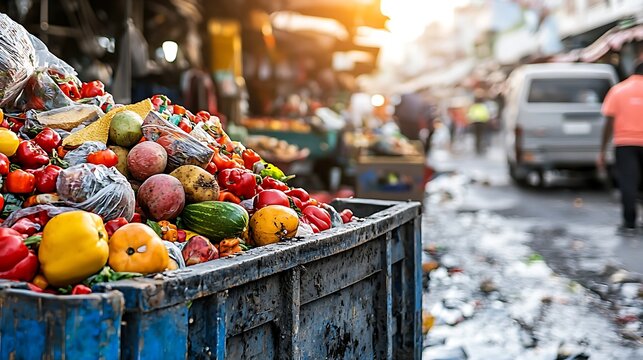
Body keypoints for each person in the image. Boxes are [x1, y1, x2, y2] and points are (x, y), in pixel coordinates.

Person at [599, 60, 643, 234]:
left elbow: (609, 121)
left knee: (628, 183)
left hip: (625, 144)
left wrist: (602, 149)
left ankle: (629, 222)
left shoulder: (618, 90)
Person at [467, 91, 491, 155]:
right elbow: (486, 115)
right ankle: (479, 148)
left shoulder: (475, 106)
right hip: (481, 123)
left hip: (477, 123)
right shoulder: (482, 106)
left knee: (478, 137)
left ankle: (478, 148)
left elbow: (470, 115)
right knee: (480, 136)